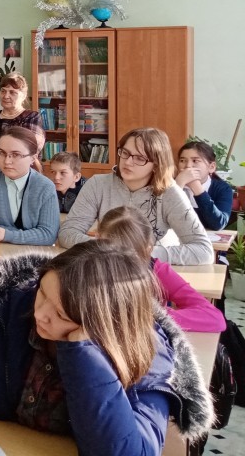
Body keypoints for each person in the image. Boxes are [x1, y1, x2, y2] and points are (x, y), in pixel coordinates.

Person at [0, 241, 214, 456]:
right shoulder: (2, 306)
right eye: (42, 292)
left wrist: (83, 351)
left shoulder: (146, 354)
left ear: (103, 326)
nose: (40, 314)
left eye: (61, 314)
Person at [58, 128, 213, 265]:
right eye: (125, 153)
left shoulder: (170, 193)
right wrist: (107, 248)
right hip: (106, 266)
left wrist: (143, 253)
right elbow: (68, 232)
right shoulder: (98, 184)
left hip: (150, 271)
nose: (128, 162)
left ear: (156, 164)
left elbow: (204, 251)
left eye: (140, 158)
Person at [97, 206, 225, 333]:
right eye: (110, 256)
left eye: (130, 258)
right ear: (97, 241)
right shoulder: (90, 271)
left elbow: (215, 319)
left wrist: (153, 316)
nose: (118, 266)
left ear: (148, 250)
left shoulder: (156, 271)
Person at [0, 126, 59, 246]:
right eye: (2, 153)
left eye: (15, 154)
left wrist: (7, 235)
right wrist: (32, 235)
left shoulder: (45, 187)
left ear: (33, 158)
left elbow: (48, 235)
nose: (7, 161)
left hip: (33, 253)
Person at [174, 140, 233, 231]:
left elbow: (218, 224)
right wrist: (178, 185)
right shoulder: (169, 185)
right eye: (182, 160)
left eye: (195, 161)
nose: (188, 166)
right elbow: (160, 220)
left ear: (211, 167)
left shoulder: (223, 189)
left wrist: (197, 187)